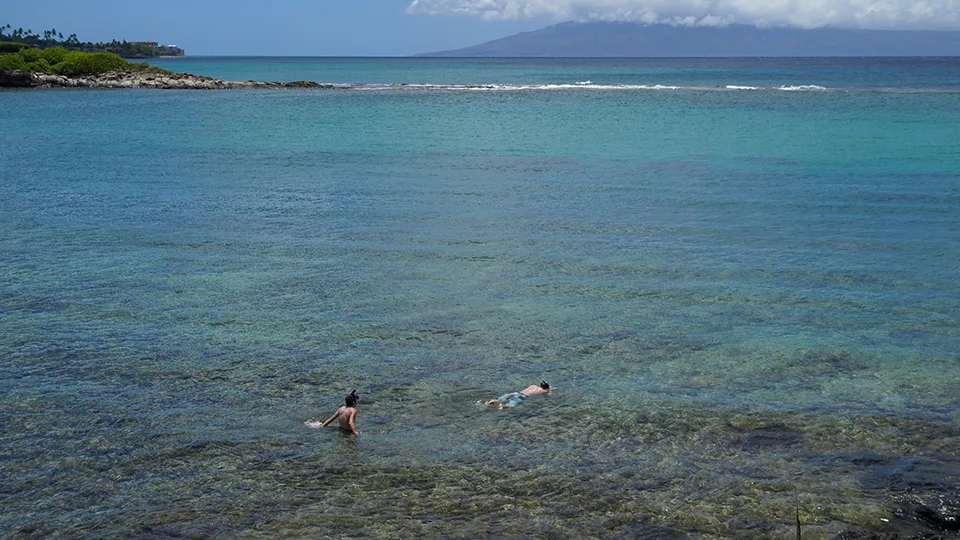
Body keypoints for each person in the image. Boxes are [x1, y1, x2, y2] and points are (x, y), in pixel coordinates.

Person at [485, 381, 550, 410]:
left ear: (540, 385)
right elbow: (547, 395)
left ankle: (489, 402)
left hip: (516, 393)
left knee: (499, 399)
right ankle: (503, 406)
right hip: (522, 397)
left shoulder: (533, 385)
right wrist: (549, 390)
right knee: (511, 405)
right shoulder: (544, 391)